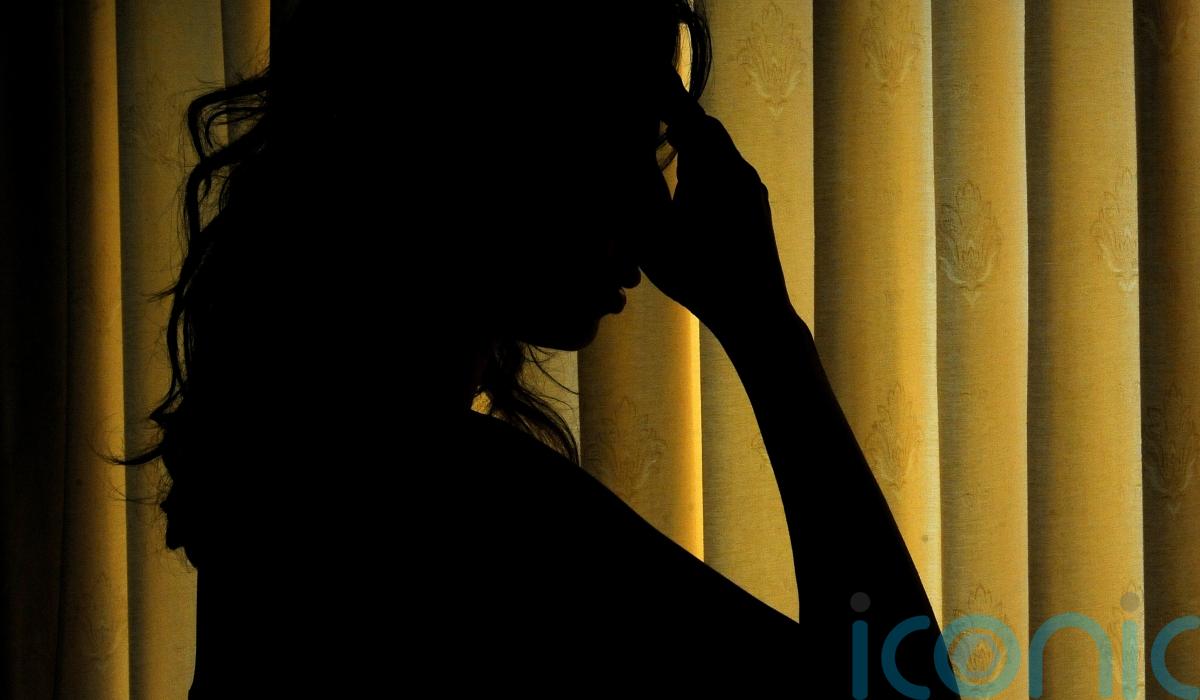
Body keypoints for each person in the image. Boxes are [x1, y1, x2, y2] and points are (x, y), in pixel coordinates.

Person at [114, 2, 963, 695]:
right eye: (621, 147)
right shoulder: (453, 510)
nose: (652, 207)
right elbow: (903, 689)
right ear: (496, 148)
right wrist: (765, 329)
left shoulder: (294, 465)